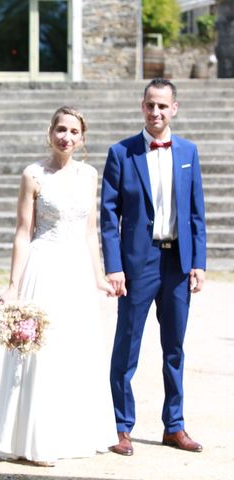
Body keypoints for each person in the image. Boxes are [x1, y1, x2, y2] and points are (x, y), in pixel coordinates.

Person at [0, 106, 117, 466]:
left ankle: (72, 434)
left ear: (82, 137)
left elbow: (91, 232)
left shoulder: (90, 175)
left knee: (75, 349)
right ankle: (34, 440)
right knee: (40, 351)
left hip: (76, 271)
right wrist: (13, 285)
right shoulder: (33, 174)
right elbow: (23, 232)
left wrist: (99, 277)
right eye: (61, 129)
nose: (66, 137)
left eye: (74, 132)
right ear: (50, 132)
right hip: (42, 266)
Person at [100, 78, 206, 456]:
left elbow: (196, 214)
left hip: (177, 262)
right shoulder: (121, 153)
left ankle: (173, 426)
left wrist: (199, 262)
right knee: (126, 345)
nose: (156, 112)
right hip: (136, 265)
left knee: (174, 347)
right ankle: (120, 426)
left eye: (163, 106)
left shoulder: (189, 152)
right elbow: (108, 216)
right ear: (142, 107)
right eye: (150, 105)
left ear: (174, 108)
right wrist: (113, 266)